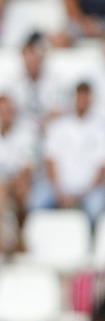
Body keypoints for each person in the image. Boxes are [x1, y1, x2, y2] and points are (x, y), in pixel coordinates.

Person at [31, 82, 105, 220]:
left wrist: (83, 194)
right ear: (73, 98)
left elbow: (101, 168)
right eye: (79, 97)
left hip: (88, 189)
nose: (82, 101)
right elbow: (50, 162)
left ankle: (92, 239)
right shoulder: (58, 126)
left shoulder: (100, 128)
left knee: (96, 207)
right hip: (59, 187)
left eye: (86, 97)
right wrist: (59, 192)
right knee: (36, 202)